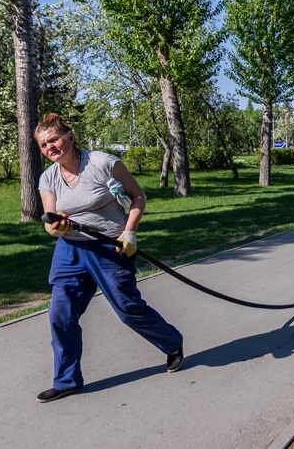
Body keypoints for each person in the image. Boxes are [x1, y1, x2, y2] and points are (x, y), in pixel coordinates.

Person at [34, 113, 183, 403]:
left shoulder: (103, 163)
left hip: (109, 247)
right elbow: (49, 222)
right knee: (60, 315)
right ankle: (67, 380)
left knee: (128, 309)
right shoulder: (48, 177)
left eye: (53, 139)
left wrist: (129, 232)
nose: (50, 147)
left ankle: (172, 342)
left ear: (70, 137)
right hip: (70, 250)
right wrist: (56, 227)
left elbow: (138, 197)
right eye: (43, 144)